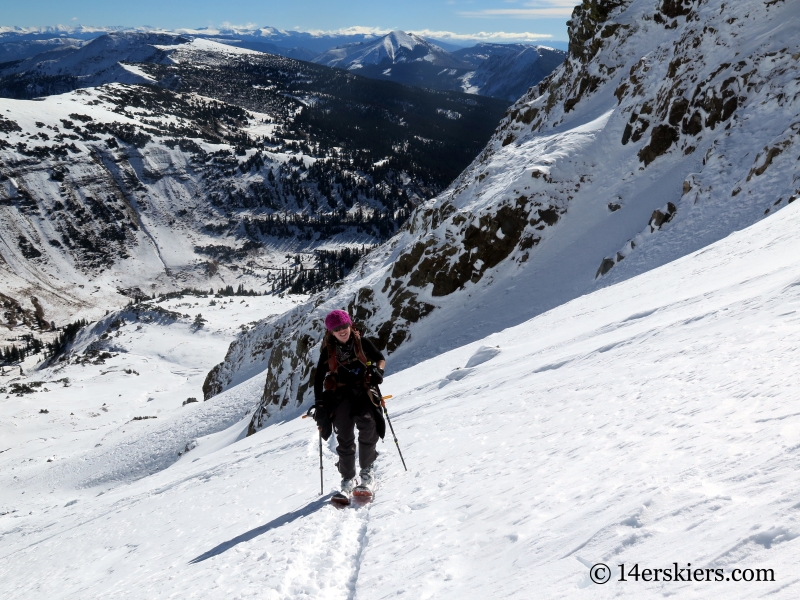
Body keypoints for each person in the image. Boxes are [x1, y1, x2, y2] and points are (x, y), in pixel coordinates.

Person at [313, 309, 386, 499]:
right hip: (340, 395)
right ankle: (347, 479)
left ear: (350, 325)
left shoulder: (362, 343)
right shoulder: (328, 351)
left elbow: (380, 358)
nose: (342, 330)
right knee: (344, 437)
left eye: (344, 326)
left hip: (362, 391)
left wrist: (379, 372)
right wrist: (319, 405)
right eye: (337, 328)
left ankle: (366, 473)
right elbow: (318, 378)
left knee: (368, 427)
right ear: (331, 332)